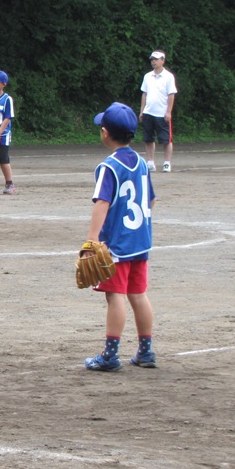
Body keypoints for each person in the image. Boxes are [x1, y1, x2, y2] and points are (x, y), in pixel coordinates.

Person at [82, 102, 158, 372]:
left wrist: (92, 241)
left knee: (115, 295)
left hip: (117, 245)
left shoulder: (108, 167)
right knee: (138, 294)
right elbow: (150, 200)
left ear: (105, 133)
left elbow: (102, 204)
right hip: (140, 241)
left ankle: (110, 356)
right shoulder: (141, 162)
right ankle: (146, 352)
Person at [140, 50, 178, 173]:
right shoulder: (147, 76)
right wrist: (142, 111)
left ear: (163, 60)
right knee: (148, 138)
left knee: (166, 139)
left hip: (162, 113)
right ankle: (150, 162)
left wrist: (168, 112)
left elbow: (171, 95)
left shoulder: (168, 76)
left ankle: (167, 163)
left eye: (156, 59)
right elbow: (144, 94)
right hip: (148, 112)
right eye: (152, 59)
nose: (153, 61)